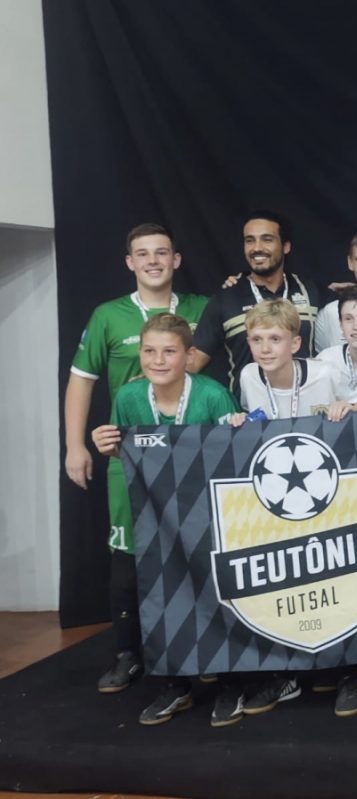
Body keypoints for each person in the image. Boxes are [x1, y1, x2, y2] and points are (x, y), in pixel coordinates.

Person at [65, 223, 208, 695]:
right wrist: (75, 445)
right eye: (142, 254)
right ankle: (128, 652)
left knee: (196, 550)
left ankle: (205, 648)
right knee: (128, 554)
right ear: (130, 262)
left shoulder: (202, 308)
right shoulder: (108, 315)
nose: (153, 261)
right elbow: (82, 380)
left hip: (191, 456)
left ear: (176, 259)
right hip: (129, 458)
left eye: (161, 252)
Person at [89, 314, 238, 725]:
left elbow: (234, 459)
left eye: (169, 351)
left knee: (214, 594)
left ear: (189, 355)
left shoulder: (213, 396)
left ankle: (231, 682)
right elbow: (125, 452)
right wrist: (108, 445)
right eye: (149, 351)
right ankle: (175, 684)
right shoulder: (128, 397)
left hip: (206, 517)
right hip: (156, 516)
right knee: (162, 594)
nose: (158, 360)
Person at [227, 299, 353, 715]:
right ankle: (287, 676)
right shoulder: (249, 376)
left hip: (328, 493)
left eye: (275, 339)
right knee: (284, 590)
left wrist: (347, 409)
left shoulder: (325, 374)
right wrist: (238, 422)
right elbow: (254, 423)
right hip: (278, 499)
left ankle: (349, 673)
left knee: (339, 585)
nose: (265, 348)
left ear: (295, 343)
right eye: (257, 339)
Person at [190, 210, 322, 401]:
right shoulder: (226, 298)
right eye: (250, 240)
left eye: (267, 239)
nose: (257, 248)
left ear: (285, 246)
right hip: (248, 413)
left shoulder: (311, 290)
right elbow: (194, 363)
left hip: (306, 409)